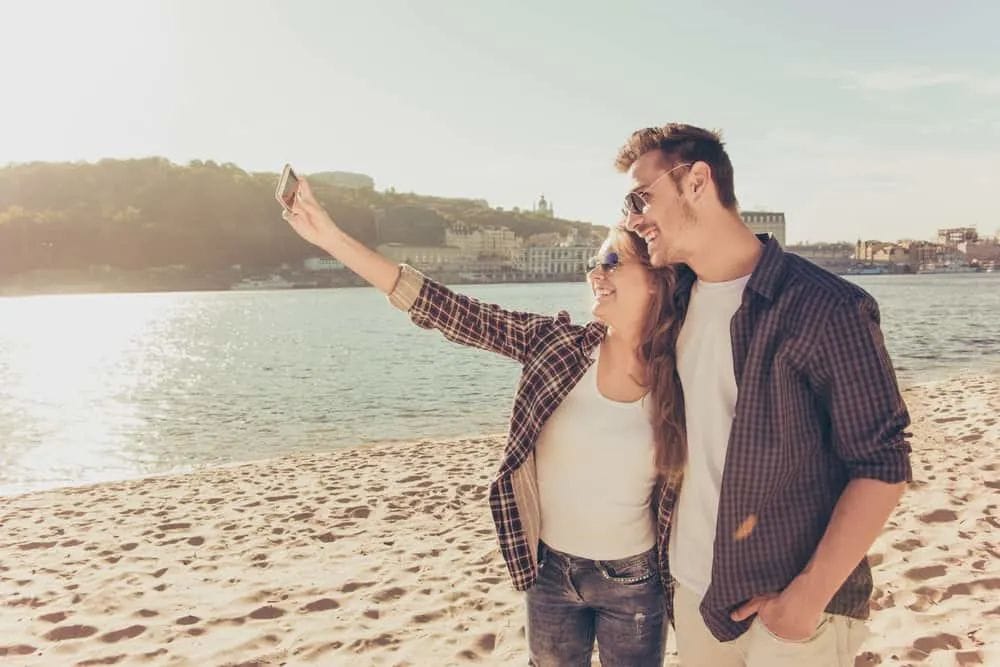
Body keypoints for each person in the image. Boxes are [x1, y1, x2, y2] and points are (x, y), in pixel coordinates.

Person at [281, 177, 687, 666]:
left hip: (636, 583)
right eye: (592, 262)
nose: (596, 273)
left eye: (612, 261)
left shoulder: (683, 375)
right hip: (549, 573)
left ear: (658, 278)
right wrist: (330, 237)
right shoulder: (555, 345)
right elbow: (449, 310)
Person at [617, 123, 912, 667]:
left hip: (793, 613)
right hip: (693, 592)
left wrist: (805, 600)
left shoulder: (827, 308)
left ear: (697, 181)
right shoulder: (673, 304)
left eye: (640, 197)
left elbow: (882, 464)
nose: (632, 218)